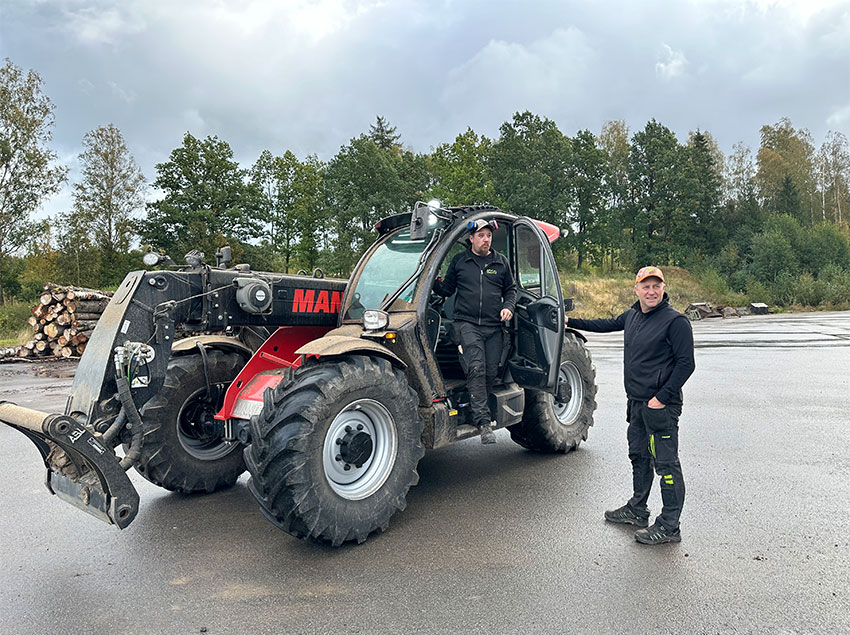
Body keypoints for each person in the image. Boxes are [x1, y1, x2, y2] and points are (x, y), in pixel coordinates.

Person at [566, 266, 695, 544]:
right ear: (636, 289)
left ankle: (670, 526)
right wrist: (569, 322)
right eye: (645, 286)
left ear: (663, 288)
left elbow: (686, 365)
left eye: (656, 286)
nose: (651, 291)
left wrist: (660, 398)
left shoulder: (676, 322)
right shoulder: (633, 315)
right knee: (639, 456)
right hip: (636, 403)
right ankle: (637, 509)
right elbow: (606, 323)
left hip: (661, 405)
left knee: (666, 464)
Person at [434, 218, 517, 444]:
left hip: (494, 327)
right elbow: (446, 289)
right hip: (466, 324)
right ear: (471, 238)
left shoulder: (501, 263)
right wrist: (433, 278)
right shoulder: (460, 262)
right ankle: (483, 421)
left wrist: (508, 307)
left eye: (488, 235)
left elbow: (511, 290)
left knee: (491, 372)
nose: (486, 239)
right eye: (481, 235)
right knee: (476, 368)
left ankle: (474, 408)